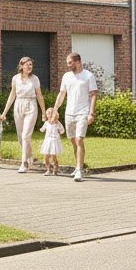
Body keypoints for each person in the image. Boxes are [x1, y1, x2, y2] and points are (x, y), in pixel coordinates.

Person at [51, 51, 97, 181]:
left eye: (70, 62)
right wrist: (55, 109)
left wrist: (91, 113)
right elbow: (61, 94)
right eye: (67, 63)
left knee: (78, 139)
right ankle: (77, 165)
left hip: (82, 112)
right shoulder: (66, 76)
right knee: (73, 141)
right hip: (69, 113)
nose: (68, 65)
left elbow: (93, 94)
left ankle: (79, 170)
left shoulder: (88, 76)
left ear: (78, 62)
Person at [1, 56, 47, 173]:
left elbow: (39, 95)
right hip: (18, 105)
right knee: (20, 137)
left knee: (26, 135)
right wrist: (4, 112)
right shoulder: (15, 78)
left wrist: (43, 112)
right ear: (21, 66)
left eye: (31, 65)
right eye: (27, 65)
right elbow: (12, 95)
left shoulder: (35, 79)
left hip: (31, 105)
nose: (29, 67)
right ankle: (30, 157)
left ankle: (24, 163)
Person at [39, 107, 65, 176]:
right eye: (48, 114)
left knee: (53, 156)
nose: (50, 116)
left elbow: (62, 131)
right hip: (47, 141)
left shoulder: (57, 123)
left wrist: (59, 129)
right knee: (46, 156)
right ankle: (48, 169)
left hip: (54, 141)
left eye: (51, 114)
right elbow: (42, 129)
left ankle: (55, 168)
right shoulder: (46, 123)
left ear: (55, 115)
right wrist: (41, 128)